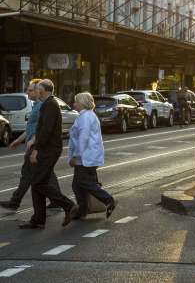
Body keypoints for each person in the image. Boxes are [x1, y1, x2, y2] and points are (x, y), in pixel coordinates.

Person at [20, 79, 75, 229]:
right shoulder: (47, 104)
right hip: (47, 149)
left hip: (48, 150)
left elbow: (46, 131)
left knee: (38, 183)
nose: (34, 91)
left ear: (42, 91)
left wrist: (36, 150)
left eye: (37, 89)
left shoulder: (50, 105)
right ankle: (38, 220)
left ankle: (69, 205)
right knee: (37, 183)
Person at [0, 79, 62, 211]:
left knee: (30, 175)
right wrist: (19, 140)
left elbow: (43, 127)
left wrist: (34, 142)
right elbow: (32, 126)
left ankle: (15, 202)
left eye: (30, 90)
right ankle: (56, 202)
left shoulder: (44, 105)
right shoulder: (36, 105)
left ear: (39, 91)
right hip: (34, 143)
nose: (27, 92)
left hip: (36, 145)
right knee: (45, 174)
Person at [68, 92, 115, 220]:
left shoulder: (85, 117)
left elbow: (83, 138)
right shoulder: (87, 115)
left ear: (82, 103)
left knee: (83, 182)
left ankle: (108, 200)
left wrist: (75, 156)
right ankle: (82, 210)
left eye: (76, 101)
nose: (74, 104)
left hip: (85, 157)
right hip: (88, 156)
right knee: (79, 184)